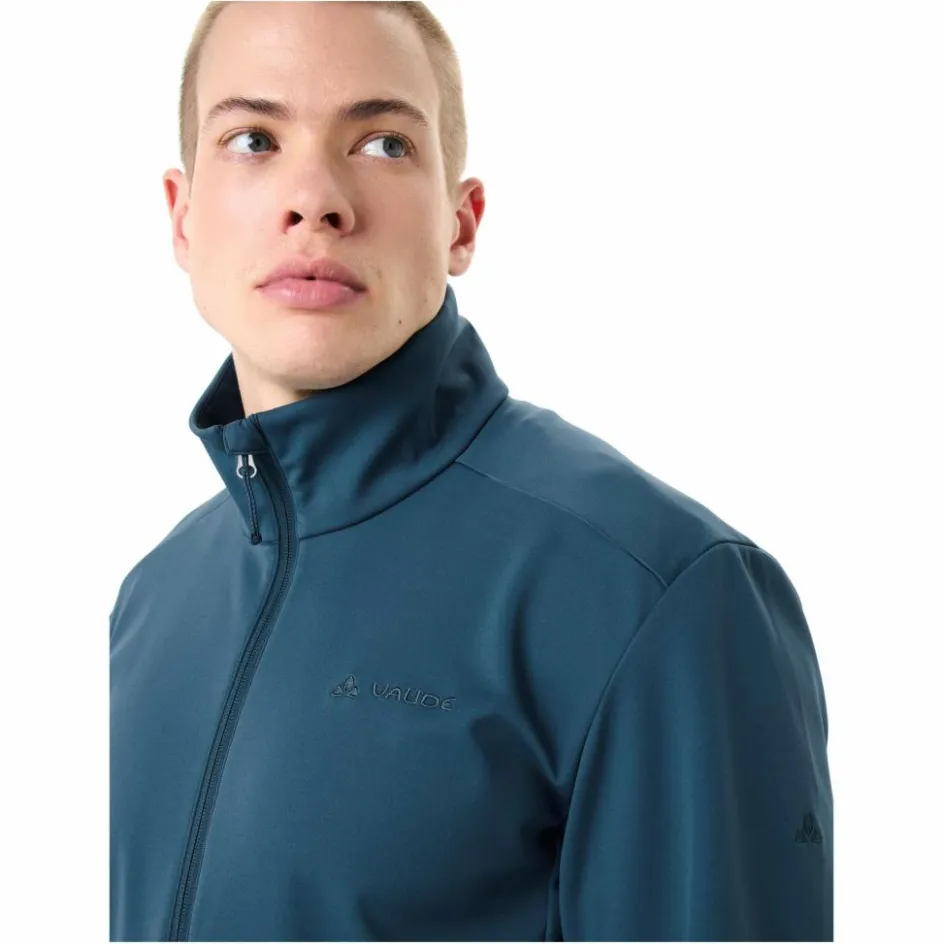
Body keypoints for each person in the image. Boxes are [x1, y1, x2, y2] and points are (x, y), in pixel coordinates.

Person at [109, 2, 833, 941]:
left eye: (383, 143)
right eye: (254, 140)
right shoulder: (152, 600)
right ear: (182, 218)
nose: (315, 198)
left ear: (462, 221)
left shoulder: (654, 591)